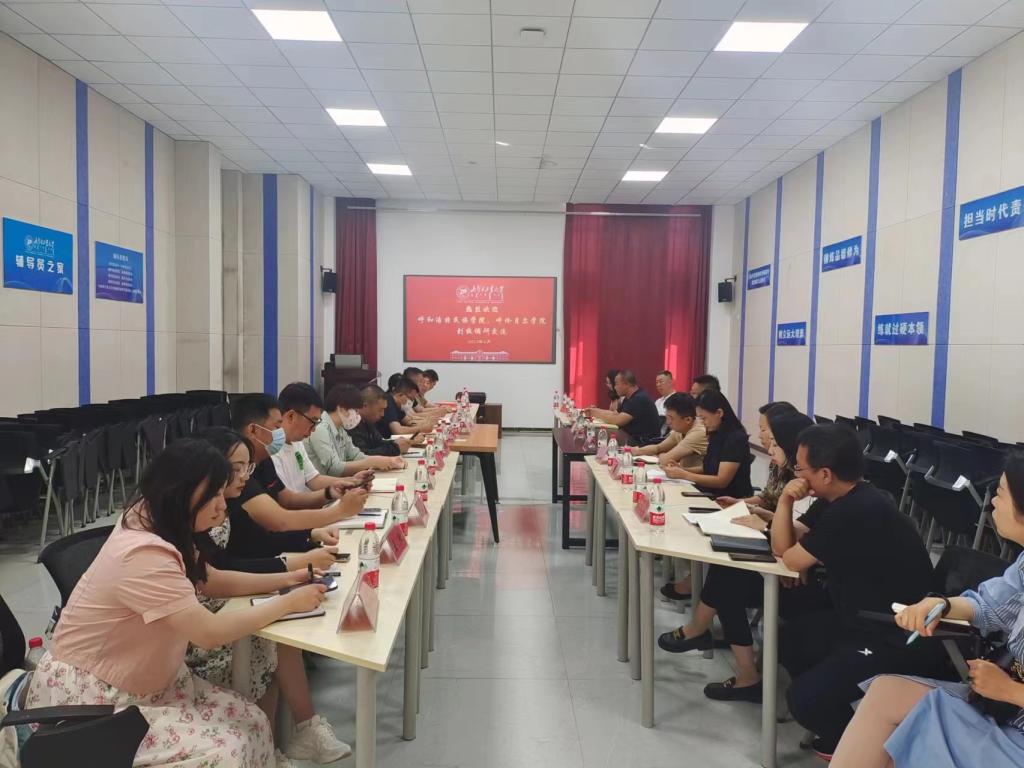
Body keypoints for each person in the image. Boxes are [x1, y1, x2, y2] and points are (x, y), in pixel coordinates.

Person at [25, 440, 330, 768]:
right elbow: (208, 633)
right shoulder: (142, 552)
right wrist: (289, 602)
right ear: (181, 492)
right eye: (213, 495)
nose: (222, 506)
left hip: (150, 679)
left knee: (253, 721)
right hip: (97, 695)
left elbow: (209, 579)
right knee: (227, 751)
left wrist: (288, 579)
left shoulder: (162, 520)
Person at [831, 451, 1024, 768]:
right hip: (1004, 705)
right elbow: (989, 605)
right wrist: (942, 604)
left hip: (1013, 719)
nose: (992, 503)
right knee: (885, 696)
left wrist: (1011, 691)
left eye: (1001, 494)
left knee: (896, 738)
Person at [771, 423, 944, 759]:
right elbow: (786, 546)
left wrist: (786, 499)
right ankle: (837, 710)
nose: (797, 474)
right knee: (793, 640)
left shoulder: (855, 510)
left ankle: (859, 746)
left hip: (895, 632)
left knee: (804, 699)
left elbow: (790, 558)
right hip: (860, 616)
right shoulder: (843, 497)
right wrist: (785, 503)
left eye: (800, 469)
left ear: (824, 474)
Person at [190, 428, 351, 764]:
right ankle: (275, 746)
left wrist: (297, 563)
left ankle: (282, 741)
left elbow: (231, 561)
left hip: (221, 596)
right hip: (198, 621)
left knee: (277, 633)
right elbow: (219, 573)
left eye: (247, 467)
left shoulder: (225, 504)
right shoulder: (197, 517)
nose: (244, 476)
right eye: (236, 468)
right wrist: (293, 570)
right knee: (271, 636)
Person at [658, 413, 833, 705]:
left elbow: (793, 546)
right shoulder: (794, 479)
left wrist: (779, 534)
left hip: (809, 585)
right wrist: (760, 514)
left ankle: (707, 637)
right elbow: (792, 532)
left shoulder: (817, 492)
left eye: (772, 440)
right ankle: (717, 646)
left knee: (729, 580)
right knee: (727, 571)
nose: (766, 444)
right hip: (790, 566)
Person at [232, 393, 368, 530]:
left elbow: (288, 500)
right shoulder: (239, 472)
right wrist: (340, 511)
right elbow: (281, 521)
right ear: (253, 430)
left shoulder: (264, 460)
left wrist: (330, 492)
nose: (281, 432)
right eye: (277, 427)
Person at [271, 382, 378, 499]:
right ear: (291, 416)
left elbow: (314, 480)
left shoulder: (297, 443)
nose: (314, 429)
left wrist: (352, 481)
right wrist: (333, 499)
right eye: (312, 422)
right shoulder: (272, 451)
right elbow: (288, 502)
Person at [663, 389, 752, 498]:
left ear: (719, 413)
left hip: (727, 499)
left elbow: (722, 481)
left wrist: (685, 475)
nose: (702, 423)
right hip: (709, 493)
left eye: (704, 418)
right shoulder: (715, 433)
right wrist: (682, 470)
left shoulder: (735, 438)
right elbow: (708, 468)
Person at [306, 384, 404, 476]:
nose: (357, 415)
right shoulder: (320, 429)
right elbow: (334, 468)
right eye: (355, 410)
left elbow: (355, 455)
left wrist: (386, 461)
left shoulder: (340, 428)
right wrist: (372, 462)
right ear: (341, 408)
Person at [633, 392, 707, 471]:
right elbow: (658, 448)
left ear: (688, 420)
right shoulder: (681, 429)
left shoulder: (698, 433)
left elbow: (666, 460)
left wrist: (661, 455)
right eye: (667, 418)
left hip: (695, 477)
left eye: (671, 418)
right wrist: (637, 451)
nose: (668, 422)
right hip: (683, 475)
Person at [586, 370, 661, 445]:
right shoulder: (629, 398)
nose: (615, 387)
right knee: (598, 432)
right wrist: (595, 410)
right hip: (631, 436)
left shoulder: (639, 399)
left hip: (643, 442)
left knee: (601, 435)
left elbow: (617, 420)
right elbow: (615, 414)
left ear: (626, 384)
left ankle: (591, 451)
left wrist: (594, 412)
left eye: (616, 384)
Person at [349, 385, 419, 456]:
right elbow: (363, 455)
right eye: (380, 410)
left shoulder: (368, 421)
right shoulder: (351, 424)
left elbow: (379, 443)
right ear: (365, 406)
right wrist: (395, 448)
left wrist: (397, 443)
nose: (382, 415)